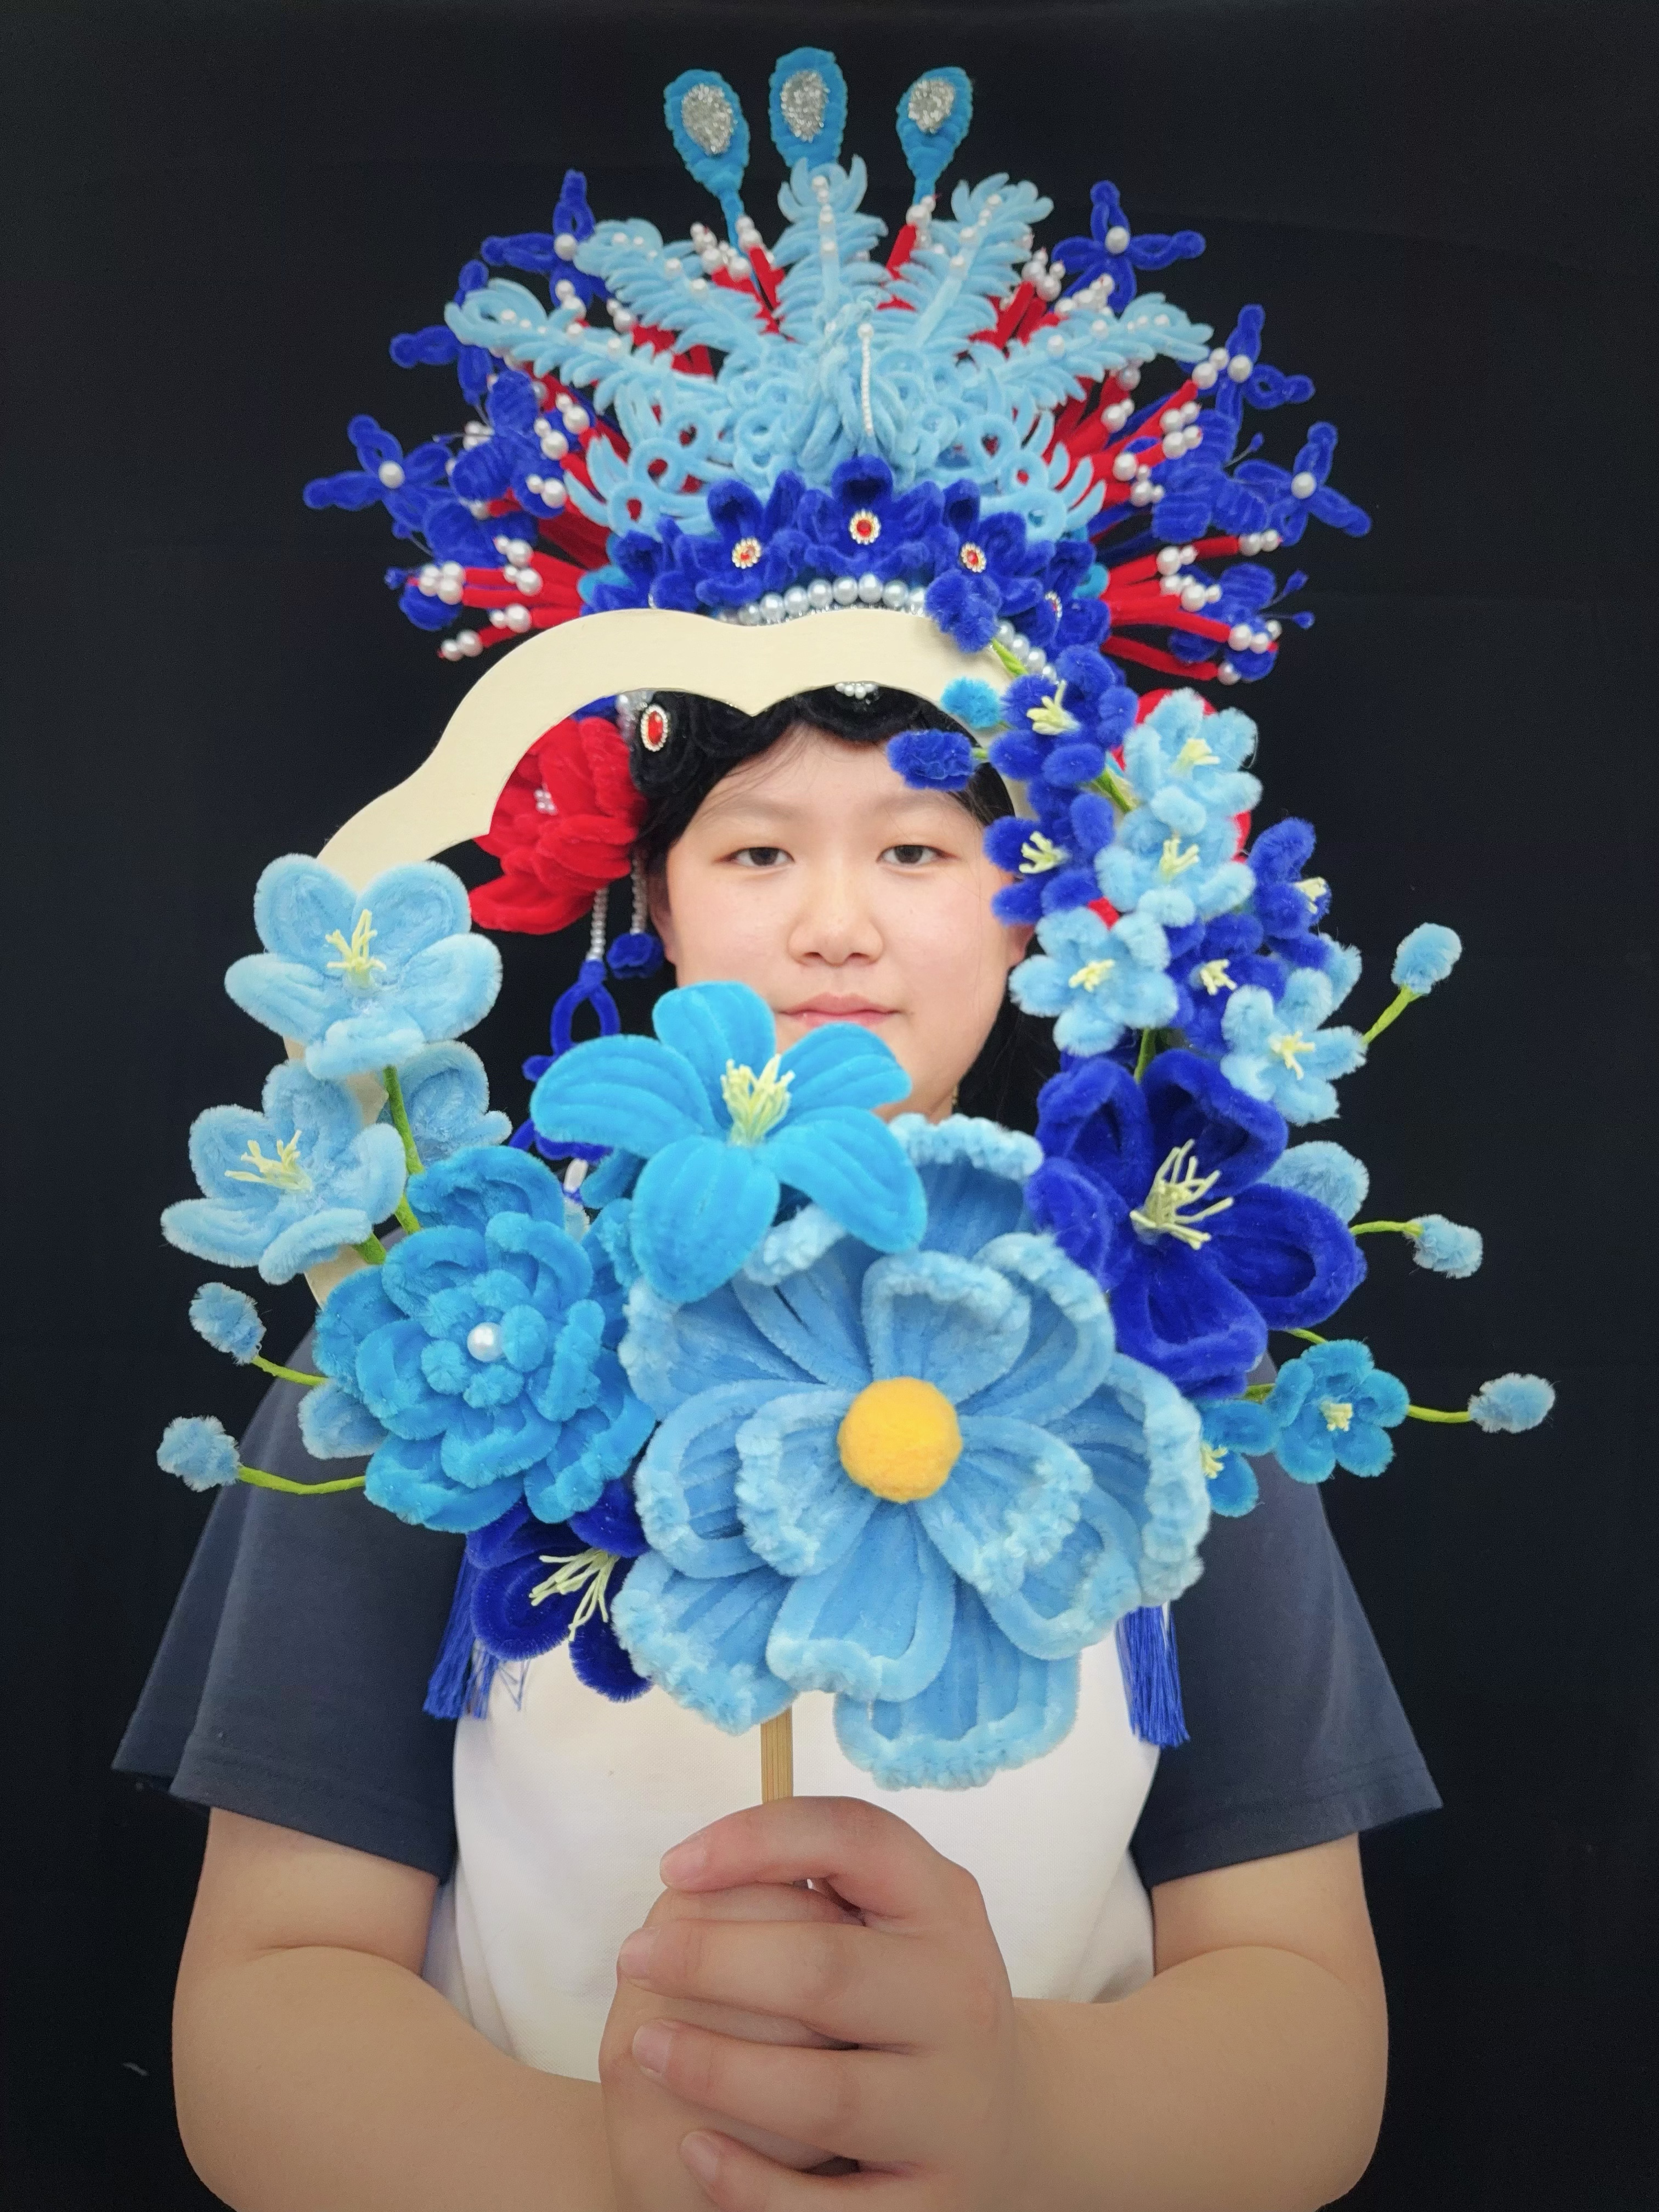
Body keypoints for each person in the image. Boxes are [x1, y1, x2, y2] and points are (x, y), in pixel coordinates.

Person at [121, 684, 1439, 2211]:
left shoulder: (1174, 1362)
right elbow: (275, 1985)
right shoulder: (446, 1339)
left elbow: (1299, 2000)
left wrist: (1030, 2117)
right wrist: (618, 2173)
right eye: (757, 853)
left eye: (918, 851)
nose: (835, 929)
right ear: (654, 899)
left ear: (1040, 912)